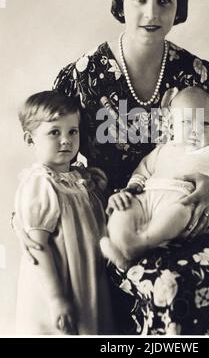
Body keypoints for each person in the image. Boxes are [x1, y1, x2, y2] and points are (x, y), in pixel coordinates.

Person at [14, 0, 209, 335]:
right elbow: (51, 153)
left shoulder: (197, 74)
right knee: (162, 282)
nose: (152, 12)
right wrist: (30, 214)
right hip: (111, 220)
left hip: (189, 215)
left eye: (165, 0)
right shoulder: (83, 77)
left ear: (178, 7)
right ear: (121, 3)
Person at [100, 87, 209, 270]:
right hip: (146, 197)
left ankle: (140, 244)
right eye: (187, 122)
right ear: (172, 125)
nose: (195, 130)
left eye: (205, 124)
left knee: (180, 214)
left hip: (181, 199)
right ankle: (120, 248)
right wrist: (132, 188)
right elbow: (143, 170)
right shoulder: (163, 150)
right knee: (123, 210)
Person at [14, 91, 114, 335]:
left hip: (86, 276)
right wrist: (56, 297)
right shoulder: (41, 183)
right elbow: (38, 247)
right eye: (54, 132)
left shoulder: (81, 179)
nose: (66, 140)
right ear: (30, 139)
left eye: (72, 131)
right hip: (58, 281)